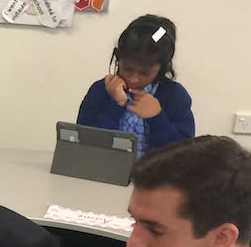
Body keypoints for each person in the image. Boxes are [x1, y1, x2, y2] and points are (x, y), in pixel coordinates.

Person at [77, 14, 194, 158]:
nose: (134, 78)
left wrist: (157, 117)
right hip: (102, 173)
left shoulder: (175, 95)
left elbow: (184, 156)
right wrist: (116, 104)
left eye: (145, 73)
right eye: (127, 69)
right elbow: (83, 143)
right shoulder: (101, 89)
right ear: (118, 58)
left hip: (154, 178)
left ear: (162, 68)